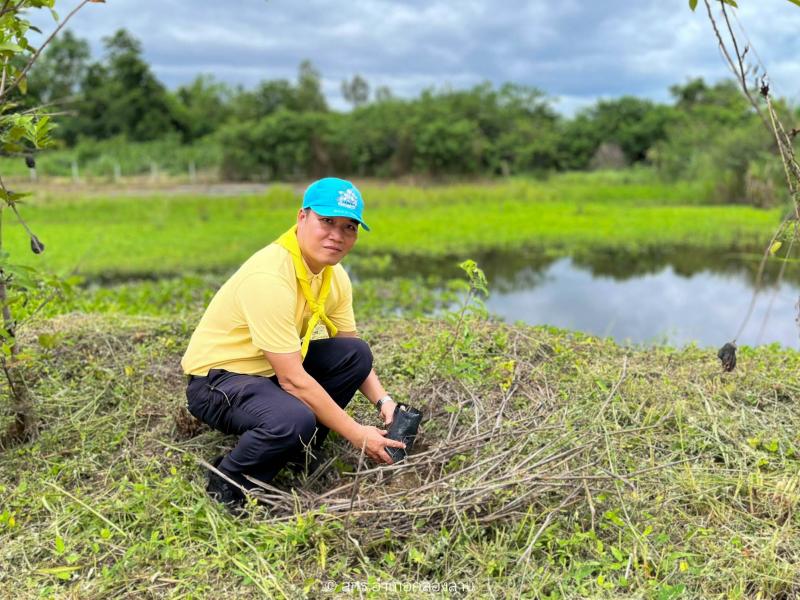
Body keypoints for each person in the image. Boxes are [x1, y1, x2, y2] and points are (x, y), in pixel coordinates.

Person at [181, 177, 405, 509]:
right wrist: (358, 434)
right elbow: (292, 380)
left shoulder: (334, 275)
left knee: (356, 354)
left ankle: (301, 448)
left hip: (269, 371)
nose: (337, 236)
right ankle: (226, 480)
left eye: (349, 227)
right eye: (327, 222)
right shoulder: (270, 277)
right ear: (302, 218)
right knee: (292, 419)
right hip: (218, 380)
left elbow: (349, 346)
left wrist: (384, 402)